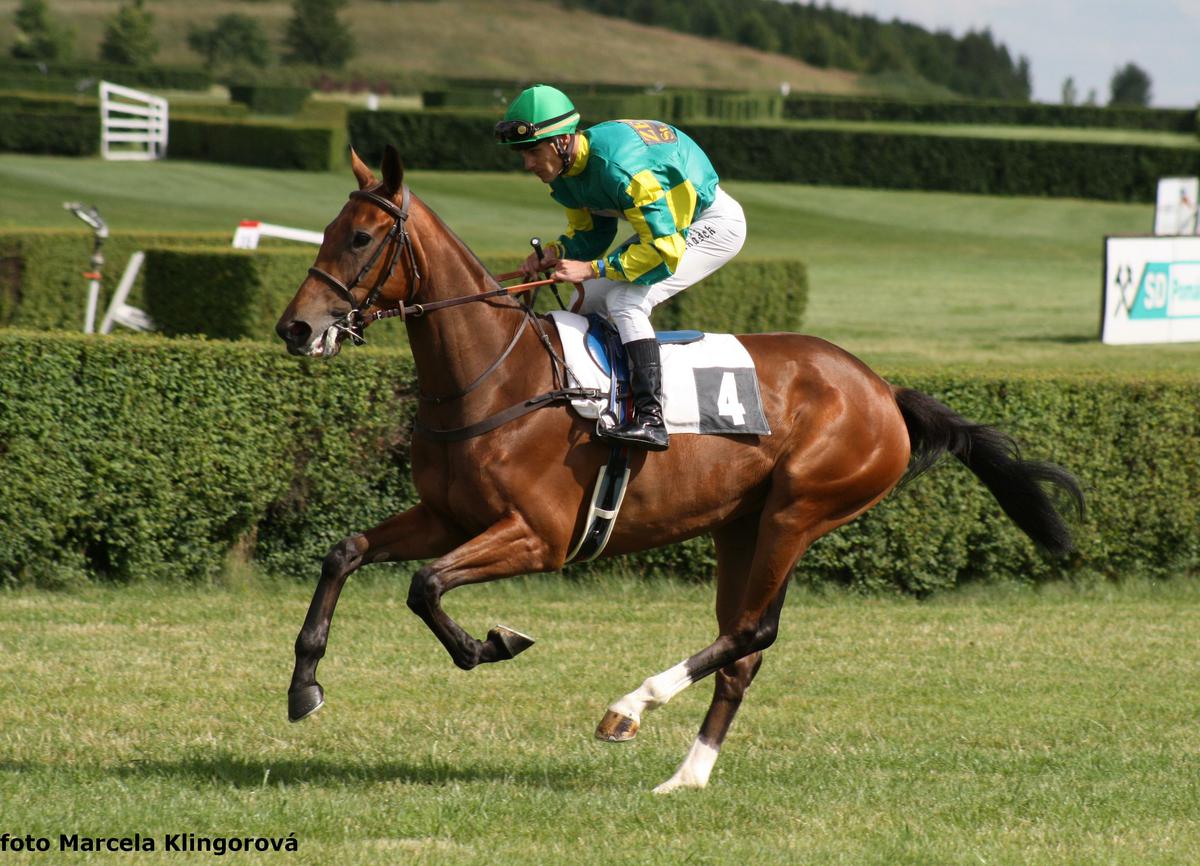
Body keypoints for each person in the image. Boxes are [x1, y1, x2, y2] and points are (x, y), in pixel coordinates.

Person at [495, 84, 747, 451]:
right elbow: (592, 235)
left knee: (625, 301)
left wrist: (592, 269)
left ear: (562, 141)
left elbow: (663, 251)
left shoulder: (623, 170)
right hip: (667, 230)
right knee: (585, 300)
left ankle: (651, 417)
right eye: (522, 154)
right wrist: (554, 252)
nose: (528, 164)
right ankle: (597, 400)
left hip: (711, 224)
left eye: (533, 151)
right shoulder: (566, 174)